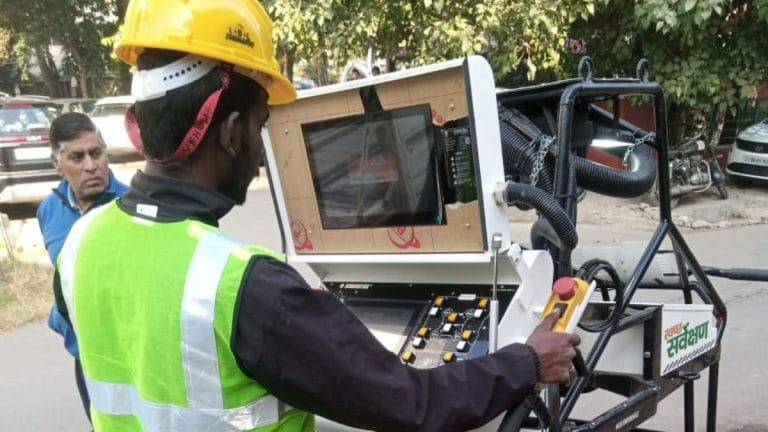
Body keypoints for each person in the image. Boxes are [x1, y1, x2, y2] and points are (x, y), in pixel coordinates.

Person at [53, 1, 580, 431]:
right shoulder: (242, 288)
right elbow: (413, 403)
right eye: (260, 126)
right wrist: (529, 361)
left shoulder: (82, 243)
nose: (260, 155)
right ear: (231, 131)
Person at [36, 112, 129, 426]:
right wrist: (60, 321)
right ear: (57, 163)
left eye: (96, 153)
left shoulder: (133, 205)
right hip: (86, 356)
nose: (91, 165)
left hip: (131, 354)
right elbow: (63, 277)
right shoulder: (49, 210)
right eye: (77, 157)